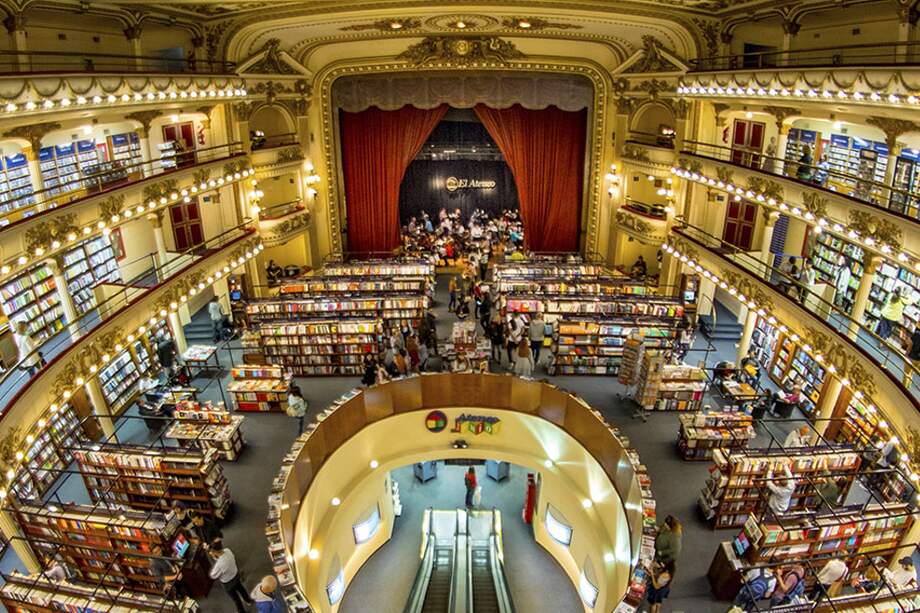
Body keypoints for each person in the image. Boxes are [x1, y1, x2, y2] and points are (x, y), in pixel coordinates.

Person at [208, 539, 254, 613]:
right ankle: (248, 600)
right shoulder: (228, 550)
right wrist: (215, 556)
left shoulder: (219, 565)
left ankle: (241, 611)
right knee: (241, 589)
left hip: (228, 583)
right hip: (236, 576)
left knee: (236, 599)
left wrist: (214, 557)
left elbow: (213, 575)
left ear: (214, 552)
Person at [905, 322, 920, 388]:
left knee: (906, 374)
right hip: (918, 360)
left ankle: (904, 390)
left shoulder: (917, 333)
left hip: (911, 357)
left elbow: (911, 344)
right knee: (911, 373)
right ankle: (908, 387)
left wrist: (906, 353)